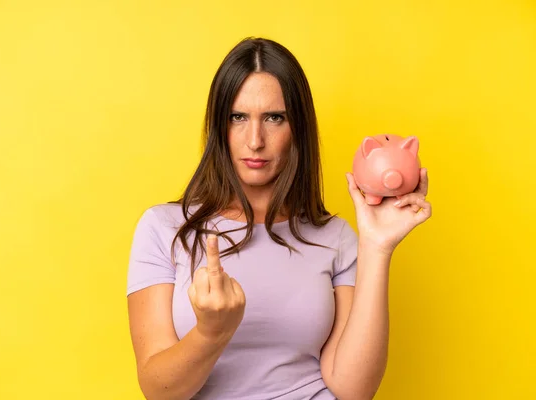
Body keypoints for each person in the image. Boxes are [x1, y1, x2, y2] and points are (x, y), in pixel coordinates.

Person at [126, 37, 431, 400]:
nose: (255, 140)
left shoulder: (337, 237)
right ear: (218, 127)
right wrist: (211, 332)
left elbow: (353, 390)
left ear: (296, 128)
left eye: (274, 118)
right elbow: (158, 391)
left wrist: (378, 248)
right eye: (237, 117)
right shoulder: (164, 229)